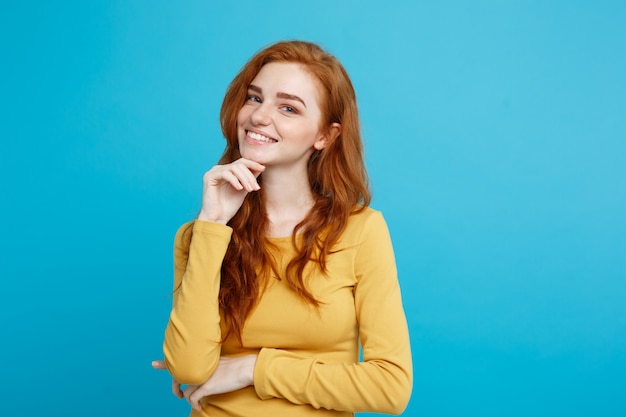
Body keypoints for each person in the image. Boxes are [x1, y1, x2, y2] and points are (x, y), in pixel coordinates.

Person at [152, 40, 412, 416]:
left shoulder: (360, 232)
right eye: (255, 98)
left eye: (288, 107)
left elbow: (390, 388)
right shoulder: (200, 235)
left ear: (325, 135)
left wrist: (253, 368)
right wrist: (212, 224)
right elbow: (190, 367)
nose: (259, 117)